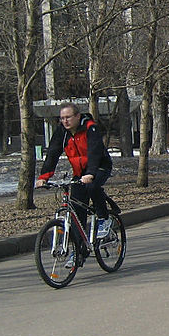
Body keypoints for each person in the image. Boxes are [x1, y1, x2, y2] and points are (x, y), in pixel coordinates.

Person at [36, 102, 113, 266]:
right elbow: (53, 153)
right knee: (77, 212)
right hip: (80, 173)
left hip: (99, 166)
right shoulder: (62, 133)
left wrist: (91, 173)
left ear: (77, 116)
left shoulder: (90, 128)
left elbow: (94, 151)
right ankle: (79, 252)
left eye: (68, 117)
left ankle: (104, 218)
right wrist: (44, 177)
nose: (65, 121)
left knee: (92, 186)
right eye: (62, 118)